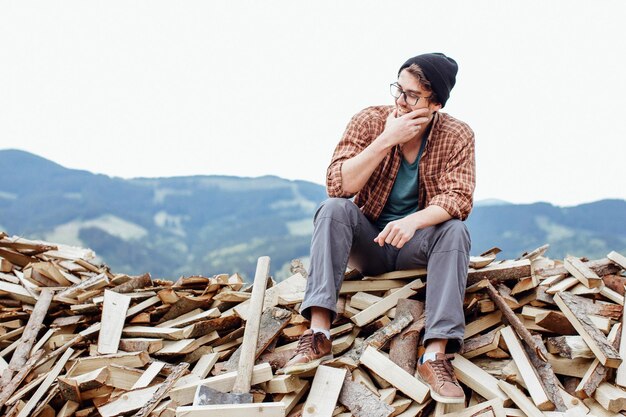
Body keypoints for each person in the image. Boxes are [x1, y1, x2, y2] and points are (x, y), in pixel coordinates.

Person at [282, 53, 475, 404]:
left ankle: (434, 354)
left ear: (436, 103)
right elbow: (339, 185)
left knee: (456, 230)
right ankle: (318, 332)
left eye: (412, 95)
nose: (400, 101)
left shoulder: (457, 134)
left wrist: (413, 221)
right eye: (398, 90)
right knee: (333, 209)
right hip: (368, 243)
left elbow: (458, 198)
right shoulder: (369, 120)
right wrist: (387, 138)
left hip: (415, 245)